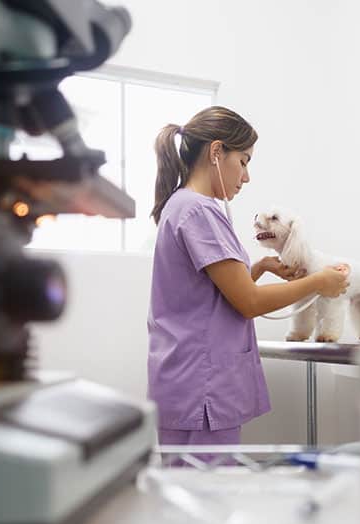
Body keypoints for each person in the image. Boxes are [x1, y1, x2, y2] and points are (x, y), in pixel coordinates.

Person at [148, 106, 349, 446]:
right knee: (207, 493)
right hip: (203, 389)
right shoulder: (199, 211)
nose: (246, 176)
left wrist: (261, 267)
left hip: (187, 381)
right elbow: (248, 302)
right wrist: (320, 282)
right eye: (243, 161)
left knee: (191, 490)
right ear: (216, 152)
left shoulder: (181, 204)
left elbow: (208, 292)